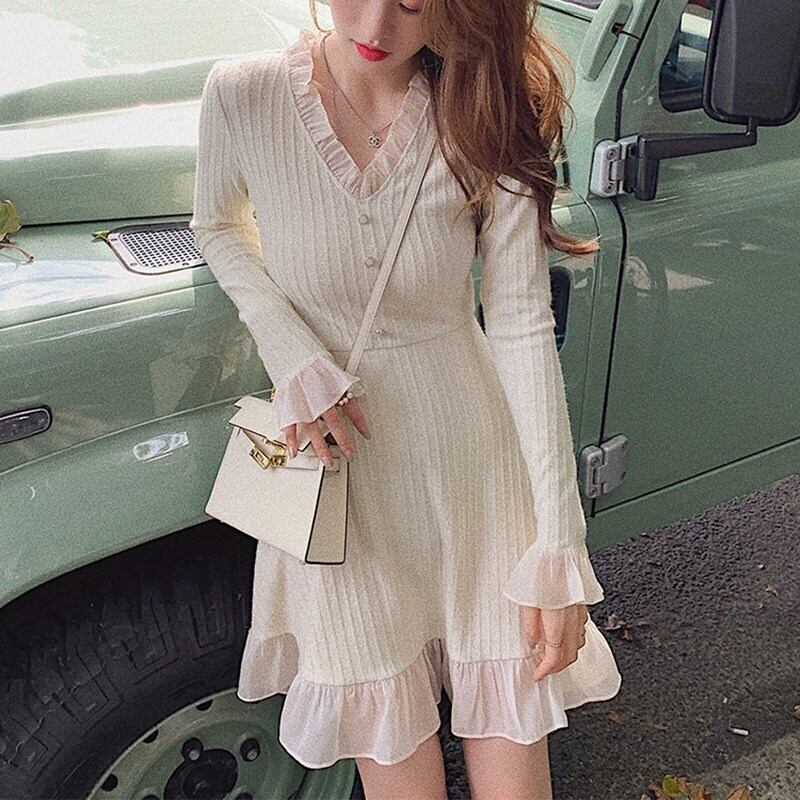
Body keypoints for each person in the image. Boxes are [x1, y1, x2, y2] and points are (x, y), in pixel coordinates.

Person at [190, 0, 622, 797]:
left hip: (476, 473)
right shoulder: (242, 93)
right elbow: (217, 226)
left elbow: (521, 321)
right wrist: (290, 351)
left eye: (413, 4)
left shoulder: (482, 106)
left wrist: (560, 542)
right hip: (341, 482)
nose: (374, 27)